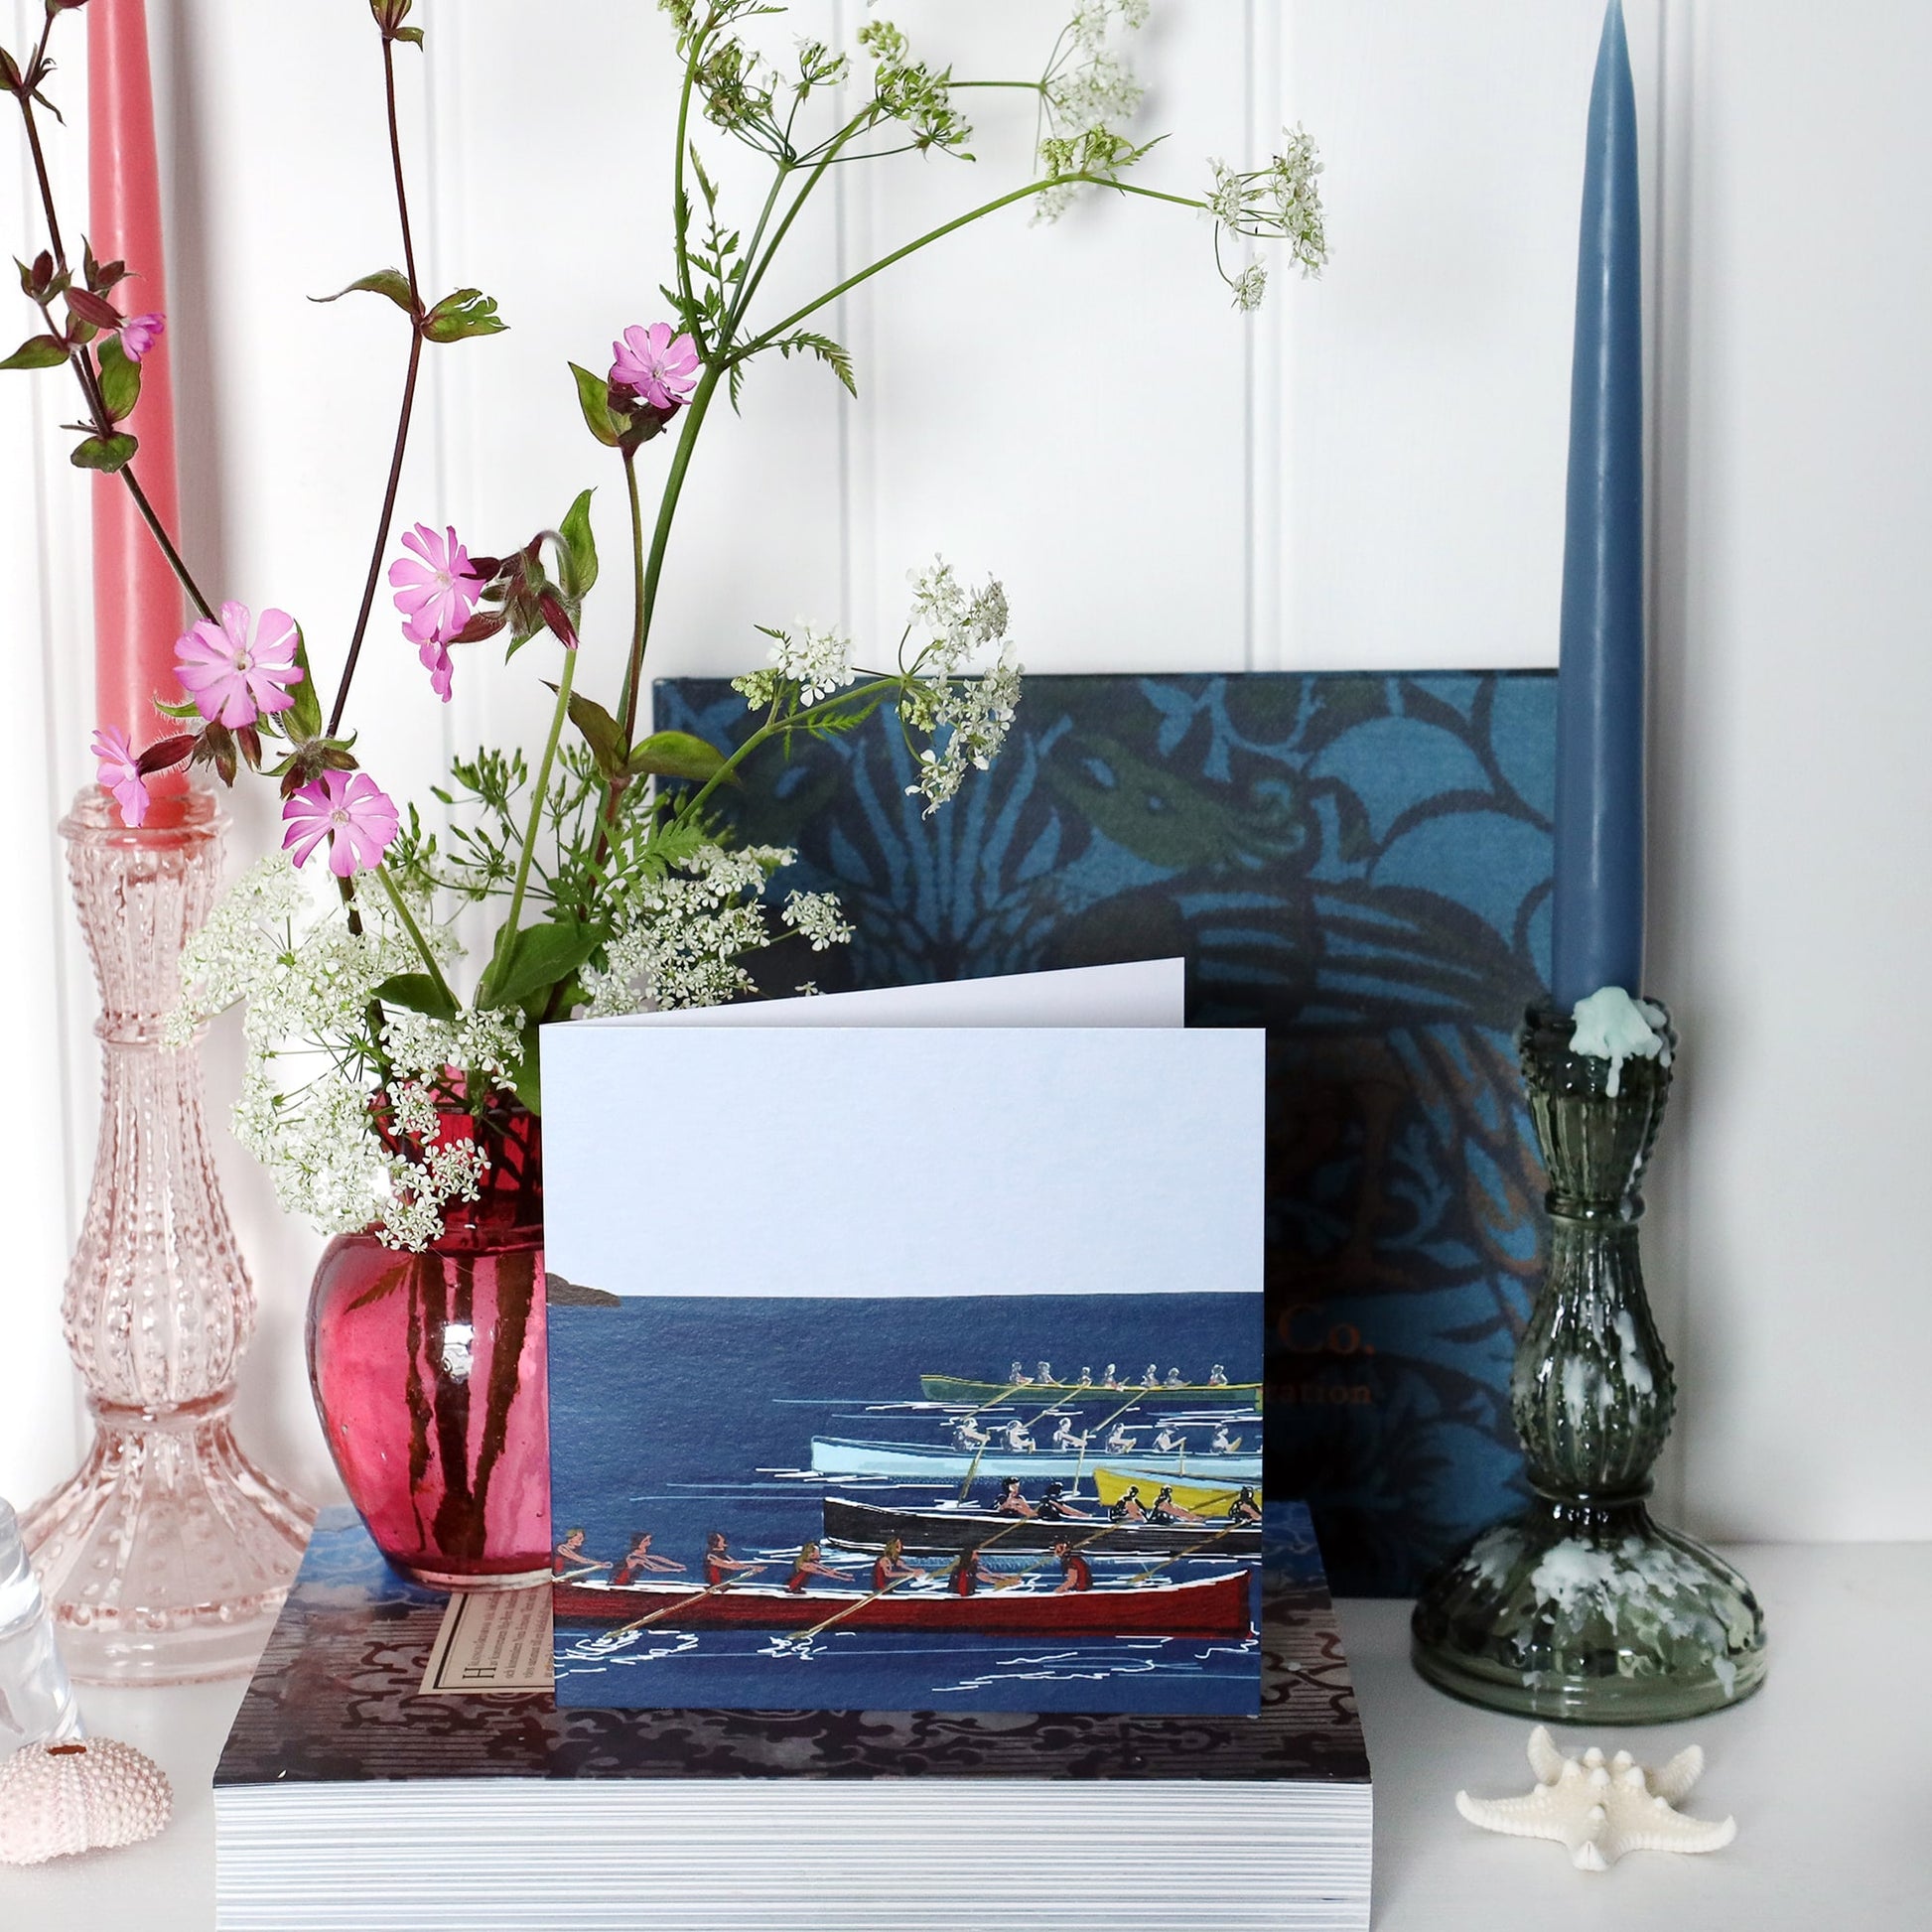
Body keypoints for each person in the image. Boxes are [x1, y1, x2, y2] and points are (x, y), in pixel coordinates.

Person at [611, 1531, 684, 1587]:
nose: (649, 1543)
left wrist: (676, 1564)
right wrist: (674, 1570)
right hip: (621, 1583)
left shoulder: (639, 1554)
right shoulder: (633, 1557)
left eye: (649, 1540)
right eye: (646, 1540)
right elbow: (652, 1567)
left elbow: (657, 1558)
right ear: (639, 1543)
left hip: (628, 1582)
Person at [702, 1532, 767, 1588]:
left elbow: (736, 1564)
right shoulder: (711, 1556)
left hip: (721, 1584)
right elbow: (729, 1565)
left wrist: (754, 1568)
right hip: (715, 1586)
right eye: (722, 1541)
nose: (725, 1544)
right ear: (715, 1542)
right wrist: (752, 1567)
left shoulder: (723, 1555)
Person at [783, 1541, 854, 1593]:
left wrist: (846, 1575)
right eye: (817, 1552)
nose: (819, 1554)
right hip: (793, 1588)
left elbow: (827, 1569)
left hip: (798, 1588)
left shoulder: (813, 1562)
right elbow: (825, 1573)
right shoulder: (805, 1564)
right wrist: (845, 1579)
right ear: (810, 1553)